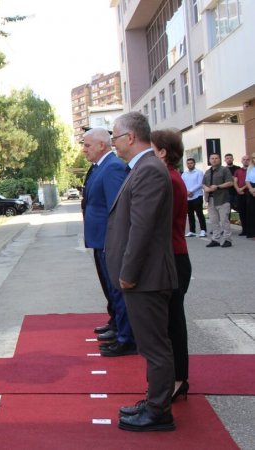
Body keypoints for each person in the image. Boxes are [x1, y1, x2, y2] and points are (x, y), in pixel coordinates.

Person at [106, 112, 177, 432]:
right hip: (143, 276)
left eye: (116, 137)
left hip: (146, 276)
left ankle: (159, 410)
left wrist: (128, 271)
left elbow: (142, 229)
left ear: (131, 137)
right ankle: (153, 401)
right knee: (151, 345)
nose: (114, 143)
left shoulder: (148, 170)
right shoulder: (143, 168)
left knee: (154, 346)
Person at [80, 128, 134, 356]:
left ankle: (126, 337)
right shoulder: (99, 167)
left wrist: (114, 241)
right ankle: (116, 325)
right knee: (109, 288)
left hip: (108, 240)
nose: (84, 149)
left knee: (116, 289)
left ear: (102, 145)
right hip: (99, 239)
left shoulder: (112, 167)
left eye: (87, 145)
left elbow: (117, 208)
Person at [151, 128, 192, 403]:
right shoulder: (169, 177)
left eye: (151, 149)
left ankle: (179, 379)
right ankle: (176, 377)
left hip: (174, 258)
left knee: (173, 322)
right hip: (173, 256)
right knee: (169, 322)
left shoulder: (170, 180)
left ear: (163, 152)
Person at [203, 153, 234, 248]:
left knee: (224, 220)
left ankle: (227, 239)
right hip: (211, 200)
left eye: (216, 158)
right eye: (212, 158)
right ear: (209, 160)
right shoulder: (207, 172)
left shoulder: (224, 170)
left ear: (219, 159)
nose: (214, 160)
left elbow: (230, 182)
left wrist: (218, 186)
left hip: (222, 199)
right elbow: (203, 184)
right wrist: (206, 189)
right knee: (214, 221)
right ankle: (216, 239)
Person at [181, 158, 207, 237]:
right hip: (188, 197)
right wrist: (187, 192)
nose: (190, 164)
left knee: (199, 214)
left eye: (191, 163)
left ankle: (203, 230)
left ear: (194, 163)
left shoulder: (199, 172)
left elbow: (200, 184)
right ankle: (192, 231)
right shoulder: (184, 174)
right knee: (190, 214)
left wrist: (191, 191)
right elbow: (182, 184)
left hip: (197, 196)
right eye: (188, 163)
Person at [233, 155, 250, 236]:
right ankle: (244, 230)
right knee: (242, 212)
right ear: (241, 161)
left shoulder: (252, 170)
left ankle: (250, 230)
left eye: (247, 159)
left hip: (249, 193)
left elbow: (249, 181)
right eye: (244, 159)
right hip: (240, 194)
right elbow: (235, 181)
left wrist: (242, 188)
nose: (246, 161)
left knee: (249, 212)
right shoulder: (238, 171)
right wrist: (238, 189)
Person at [246, 157, 255, 239]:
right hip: (251, 190)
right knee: (252, 212)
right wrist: (251, 189)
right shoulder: (250, 168)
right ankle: (252, 233)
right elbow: (247, 180)